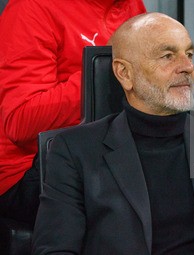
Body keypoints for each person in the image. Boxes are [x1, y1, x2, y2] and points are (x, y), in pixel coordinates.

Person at [32, 12, 194, 254]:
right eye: (167, 56)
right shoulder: (74, 151)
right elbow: (55, 250)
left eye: (189, 54)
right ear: (124, 73)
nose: (186, 67)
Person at [0, 0, 146, 226]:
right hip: (29, 168)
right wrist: (101, 75)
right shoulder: (32, 7)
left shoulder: (132, 5)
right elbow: (20, 121)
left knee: (193, 180)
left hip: (107, 151)